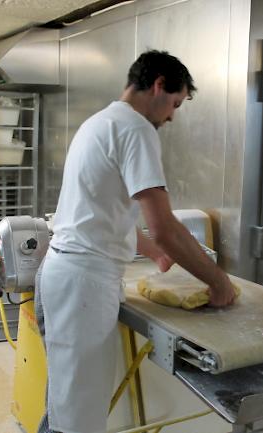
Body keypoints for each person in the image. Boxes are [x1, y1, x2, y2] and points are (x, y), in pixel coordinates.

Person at [35, 49, 237, 433]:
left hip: (61, 274)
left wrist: (155, 253)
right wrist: (218, 281)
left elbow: (104, 210)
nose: (173, 116)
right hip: (82, 285)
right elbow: (164, 225)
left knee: (65, 401)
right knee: (76, 418)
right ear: (159, 85)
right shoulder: (137, 129)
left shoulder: (100, 122)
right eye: (175, 103)